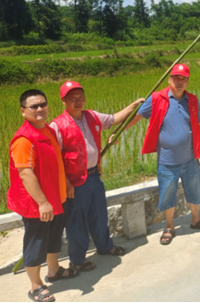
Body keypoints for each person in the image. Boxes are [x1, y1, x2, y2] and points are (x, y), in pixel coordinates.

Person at [50, 81, 144, 271]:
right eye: (72, 98)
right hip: (74, 182)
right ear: (63, 101)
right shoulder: (57, 126)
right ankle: (77, 259)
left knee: (99, 215)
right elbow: (55, 159)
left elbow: (115, 118)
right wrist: (66, 183)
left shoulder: (91, 116)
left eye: (81, 97)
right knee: (77, 221)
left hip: (93, 176)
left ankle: (105, 246)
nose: (78, 101)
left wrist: (134, 105)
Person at [126, 63, 200, 245]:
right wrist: (118, 134)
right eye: (176, 78)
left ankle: (196, 219)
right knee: (167, 193)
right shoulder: (157, 98)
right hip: (167, 160)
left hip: (190, 158)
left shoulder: (193, 100)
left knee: (194, 189)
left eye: (184, 79)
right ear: (169, 79)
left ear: (188, 81)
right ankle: (170, 227)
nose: (180, 82)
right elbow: (137, 116)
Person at [8, 90, 78, 303]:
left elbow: (56, 162)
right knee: (36, 242)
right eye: (33, 106)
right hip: (37, 204)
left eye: (43, 104)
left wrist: (65, 184)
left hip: (56, 198)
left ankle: (54, 270)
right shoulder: (23, 139)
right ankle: (36, 285)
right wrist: (42, 202)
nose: (40, 109)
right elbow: (25, 173)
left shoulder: (47, 131)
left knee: (54, 238)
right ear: (23, 111)